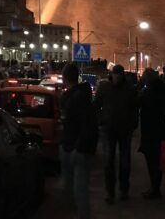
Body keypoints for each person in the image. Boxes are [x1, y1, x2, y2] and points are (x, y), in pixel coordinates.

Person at [94, 64, 138, 203]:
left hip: (124, 129)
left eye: (119, 74)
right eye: (115, 73)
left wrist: (133, 124)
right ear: (111, 74)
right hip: (109, 129)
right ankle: (110, 192)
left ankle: (123, 190)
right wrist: (101, 120)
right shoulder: (105, 87)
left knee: (124, 161)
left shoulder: (129, 88)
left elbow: (134, 108)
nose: (117, 76)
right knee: (109, 161)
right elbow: (96, 105)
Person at [60, 62, 98, 219]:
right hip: (76, 148)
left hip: (77, 150)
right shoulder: (83, 95)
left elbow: (84, 125)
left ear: (64, 79)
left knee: (78, 191)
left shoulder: (74, 98)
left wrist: (77, 148)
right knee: (75, 191)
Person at [138, 67, 165, 199]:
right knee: (157, 161)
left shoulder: (149, 92)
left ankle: (155, 189)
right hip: (160, 129)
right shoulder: (161, 90)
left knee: (152, 161)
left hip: (151, 131)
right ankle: (156, 187)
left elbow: (141, 103)